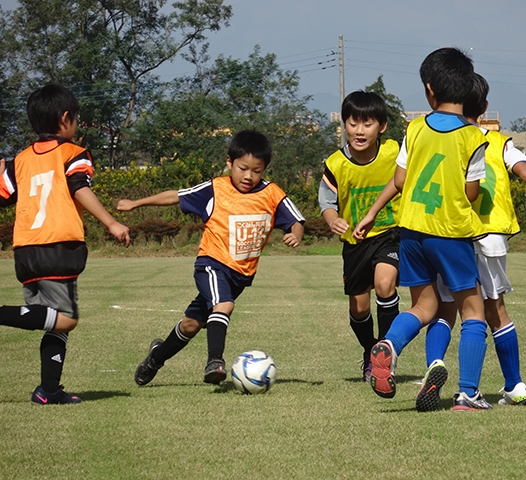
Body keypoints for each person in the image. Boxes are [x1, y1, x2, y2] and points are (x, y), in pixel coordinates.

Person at [428, 73, 526, 406]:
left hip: (451, 234)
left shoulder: (442, 138)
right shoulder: (500, 144)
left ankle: (435, 369)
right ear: (484, 107)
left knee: (446, 308)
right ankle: (514, 385)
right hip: (492, 235)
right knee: (494, 309)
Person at [354, 47, 492, 411]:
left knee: (424, 306)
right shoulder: (474, 137)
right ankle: (468, 394)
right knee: (473, 311)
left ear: (429, 89)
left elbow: (399, 179)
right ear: (466, 89)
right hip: (450, 232)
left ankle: (390, 345)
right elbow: (471, 192)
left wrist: (371, 213)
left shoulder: (414, 129)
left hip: (411, 231)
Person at [118, 130, 305, 386]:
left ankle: (155, 358)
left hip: (240, 276)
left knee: (190, 326)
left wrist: (296, 233)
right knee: (224, 305)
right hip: (212, 264)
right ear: (229, 163)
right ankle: (215, 362)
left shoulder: (272, 194)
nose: (249, 176)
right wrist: (135, 204)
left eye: (256, 170)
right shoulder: (216, 189)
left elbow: (296, 220)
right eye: (242, 168)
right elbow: (176, 195)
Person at [0, 83, 131, 405]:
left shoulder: (19, 161)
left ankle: (49, 390)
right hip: (58, 247)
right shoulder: (73, 154)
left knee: (52, 322)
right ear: (65, 119)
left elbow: (3, 197)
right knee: (66, 317)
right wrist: (111, 222)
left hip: (25, 250)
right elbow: (78, 187)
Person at [318, 90, 401, 381]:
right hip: (355, 243)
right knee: (358, 307)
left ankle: (386, 351)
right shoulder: (336, 164)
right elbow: (327, 202)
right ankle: (370, 352)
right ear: (344, 125)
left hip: (389, 234)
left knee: (384, 284)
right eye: (353, 123)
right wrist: (333, 220)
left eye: (367, 124)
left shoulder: (394, 152)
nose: (359, 131)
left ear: (382, 127)